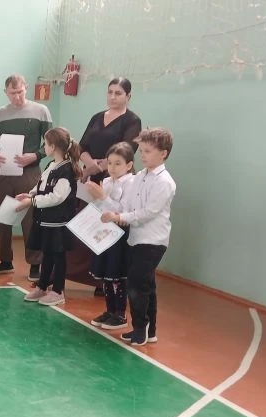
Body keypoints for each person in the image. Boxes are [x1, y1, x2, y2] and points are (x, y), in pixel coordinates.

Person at [94, 128, 176, 346]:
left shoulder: (164, 182)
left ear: (163, 153)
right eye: (141, 151)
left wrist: (118, 217)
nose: (143, 155)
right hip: (136, 239)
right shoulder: (139, 178)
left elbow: (147, 213)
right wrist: (109, 207)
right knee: (146, 285)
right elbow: (127, 206)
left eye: (148, 151)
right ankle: (149, 330)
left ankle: (140, 329)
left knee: (137, 285)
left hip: (153, 241)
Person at [69, 77, 143, 293]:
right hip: (93, 178)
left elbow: (125, 151)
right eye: (110, 92)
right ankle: (91, 275)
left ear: (128, 96)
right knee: (87, 227)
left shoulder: (132, 120)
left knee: (109, 229)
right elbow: (81, 146)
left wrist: (101, 166)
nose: (112, 97)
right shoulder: (96, 117)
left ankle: (108, 280)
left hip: (117, 179)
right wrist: (90, 165)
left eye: (118, 93)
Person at [0, 75, 53, 282]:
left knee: (30, 218)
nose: (16, 96)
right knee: (4, 216)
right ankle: (5, 261)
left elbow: (50, 142)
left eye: (20, 92)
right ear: (5, 92)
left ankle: (35, 264)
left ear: (26, 88)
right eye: (12, 93)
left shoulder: (41, 110)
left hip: (29, 171)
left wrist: (36, 156)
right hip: (5, 171)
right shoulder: (0, 114)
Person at [16, 127, 82, 307]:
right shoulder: (51, 165)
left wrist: (32, 202)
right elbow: (41, 186)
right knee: (47, 255)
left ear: (52, 147)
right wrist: (30, 194)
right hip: (45, 221)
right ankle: (42, 286)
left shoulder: (67, 170)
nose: (44, 147)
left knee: (58, 256)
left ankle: (58, 291)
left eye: (45, 144)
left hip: (59, 223)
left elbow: (57, 197)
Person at [86, 142, 136, 330]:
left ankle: (120, 314)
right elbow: (100, 207)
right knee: (106, 274)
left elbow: (124, 211)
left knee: (117, 274)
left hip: (121, 234)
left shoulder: (132, 183)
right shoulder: (107, 181)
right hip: (105, 232)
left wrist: (102, 197)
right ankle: (109, 310)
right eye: (110, 163)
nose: (112, 168)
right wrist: (95, 198)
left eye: (118, 163)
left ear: (129, 165)